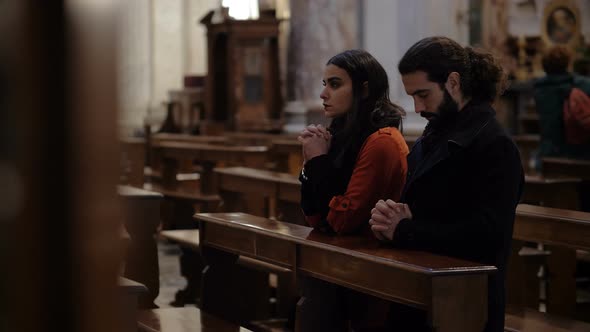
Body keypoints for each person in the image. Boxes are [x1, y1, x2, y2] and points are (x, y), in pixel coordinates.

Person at [369, 36, 524, 332]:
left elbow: (487, 235)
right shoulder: (435, 133)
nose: (417, 107)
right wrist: (389, 217)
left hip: (464, 304)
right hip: (420, 288)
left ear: (453, 83)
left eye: (424, 95)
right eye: (412, 96)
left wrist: (404, 229)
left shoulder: (494, 145)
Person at [297, 49, 408, 331]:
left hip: (371, 273)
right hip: (342, 263)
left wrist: (319, 160)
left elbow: (342, 221)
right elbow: (316, 217)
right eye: (324, 84)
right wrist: (312, 163)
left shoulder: (382, 141)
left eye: (334, 84)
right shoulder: (344, 137)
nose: (323, 94)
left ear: (363, 89)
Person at [533, 45, 590, 162]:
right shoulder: (583, 84)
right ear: (568, 63)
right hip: (580, 153)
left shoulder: (539, 88)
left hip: (548, 153)